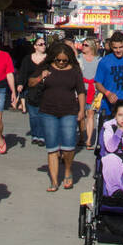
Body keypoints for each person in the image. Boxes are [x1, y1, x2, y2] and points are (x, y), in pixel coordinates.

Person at [29, 39, 85, 190]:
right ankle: (54, 181)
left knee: (68, 146)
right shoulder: (45, 67)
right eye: (58, 60)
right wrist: (42, 76)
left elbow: (80, 91)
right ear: (53, 57)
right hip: (48, 111)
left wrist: (81, 111)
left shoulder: (74, 69)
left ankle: (67, 171)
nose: (61, 63)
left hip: (69, 111)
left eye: (64, 60)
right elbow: (31, 83)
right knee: (52, 148)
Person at [94, 32, 123, 118]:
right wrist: (107, 93)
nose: (118, 50)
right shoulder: (104, 61)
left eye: (121, 47)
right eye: (115, 48)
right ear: (111, 47)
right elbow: (98, 83)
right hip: (110, 108)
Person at [16, 36, 48, 147]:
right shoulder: (27, 59)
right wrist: (20, 84)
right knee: (34, 116)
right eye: (40, 44)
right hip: (31, 90)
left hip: (45, 90)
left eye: (44, 44)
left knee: (43, 114)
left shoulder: (49, 59)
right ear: (35, 46)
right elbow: (23, 73)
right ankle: (35, 134)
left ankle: (42, 136)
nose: (43, 46)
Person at [77, 38, 101, 148]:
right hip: (81, 89)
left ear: (91, 47)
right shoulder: (79, 58)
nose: (83, 47)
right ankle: (82, 136)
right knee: (81, 115)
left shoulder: (99, 60)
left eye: (85, 45)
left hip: (93, 90)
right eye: (83, 45)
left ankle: (88, 140)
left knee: (90, 114)